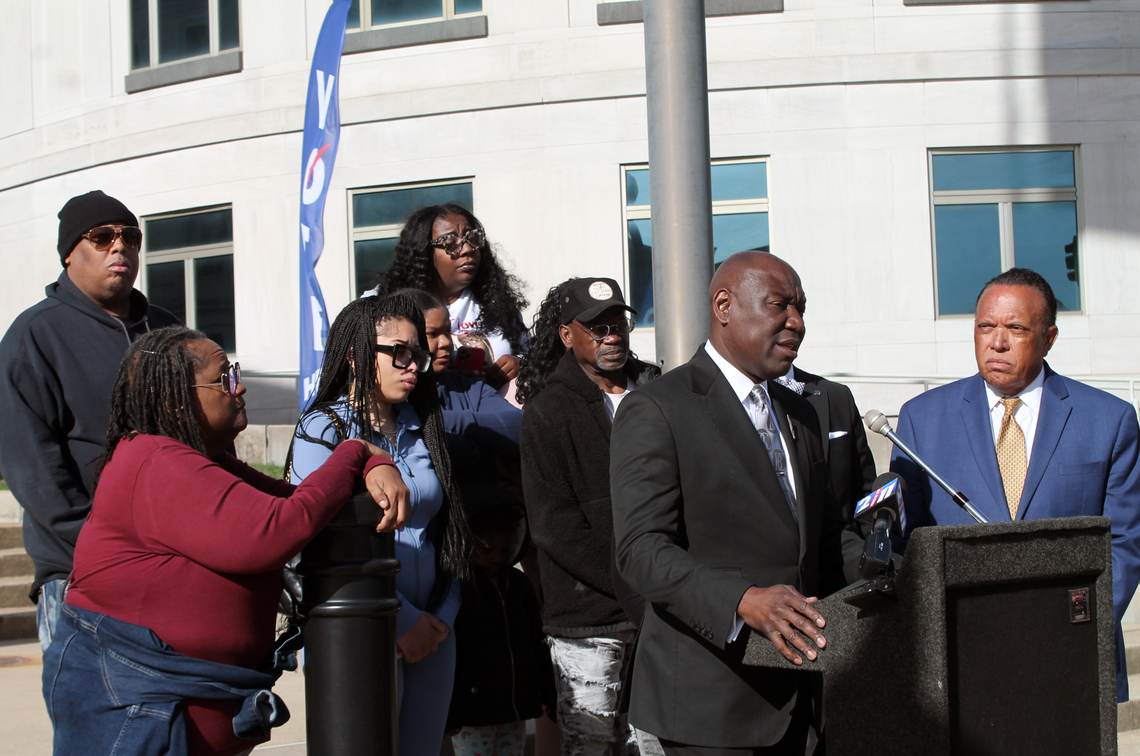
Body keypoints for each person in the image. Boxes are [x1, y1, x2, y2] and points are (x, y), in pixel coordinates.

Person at [45, 326, 404, 756]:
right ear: (177, 397)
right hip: (138, 717)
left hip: (170, 717)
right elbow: (274, 530)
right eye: (225, 378)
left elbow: (298, 502)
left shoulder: (201, 459)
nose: (241, 386)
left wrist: (364, 463)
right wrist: (355, 452)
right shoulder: (156, 460)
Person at [611, 251, 854, 755]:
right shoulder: (658, 407)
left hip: (805, 702)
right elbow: (641, 549)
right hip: (710, 705)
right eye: (780, 306)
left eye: (801, 308)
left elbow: (824, 537)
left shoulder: (801, 413)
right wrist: (742, 601)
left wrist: (898, 571)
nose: (797, 323)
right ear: (724, 305)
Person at [890, 267, 1140, 703]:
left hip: (1072, 657)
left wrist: (1074, 625)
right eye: (986, 326)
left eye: (1016, 328)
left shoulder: (1109, 420)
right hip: (961, 660)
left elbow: (1124, 542)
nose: (997, 341)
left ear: (1049, 337)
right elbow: (908, 543)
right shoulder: (920, 420)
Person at [289, 293, 471, 756]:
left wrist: (439, 620)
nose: (414, 366)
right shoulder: (321, 430)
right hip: (357, 632)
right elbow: (313, 546)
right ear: (356, 355)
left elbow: (446, 533)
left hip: (433, 631)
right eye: (400, 352)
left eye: (419, 354)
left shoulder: (421, 425)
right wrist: (402, 622)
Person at [0, 190, 179, 652]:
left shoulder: (167, 331)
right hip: (81, 576)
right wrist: (100, 544)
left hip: (174, 564)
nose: (120, 248)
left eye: (130, 237)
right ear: (69, 253)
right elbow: (33, 466)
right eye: (102, 237)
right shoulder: (35, 335)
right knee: (94, 721)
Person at [518, 277, 662, 756]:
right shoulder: (546, 411)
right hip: (588, 620)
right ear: (566, 335)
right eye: (597, 328)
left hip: (664, 610)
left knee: (660, 745)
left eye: (618, 324)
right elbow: (553, 525)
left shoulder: (658, 389)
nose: (612, 336)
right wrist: (632, 580)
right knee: (593, 747)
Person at [370, 204, 528, 393]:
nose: (468, 249)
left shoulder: (499, 304)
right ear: (423, 253)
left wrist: (521, 363)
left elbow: (535, 357)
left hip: (495, 413)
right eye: (451, 243)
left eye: (473, 238)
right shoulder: (381, 303)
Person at [447, 500, 556, 756]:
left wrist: (547, 693)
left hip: (514, 709)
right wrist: (449, 711)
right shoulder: (458, 587)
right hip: (473, 714)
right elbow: (450, 656)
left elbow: (537, 641)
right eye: (487, 549)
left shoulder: (518, 585)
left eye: (504, 550)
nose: (497, 557)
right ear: (468, 542)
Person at [776, 366, 877, 521]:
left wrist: (866, 543)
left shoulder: (837, 396)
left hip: (842, 542)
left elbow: (864, 488)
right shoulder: (731, 403)